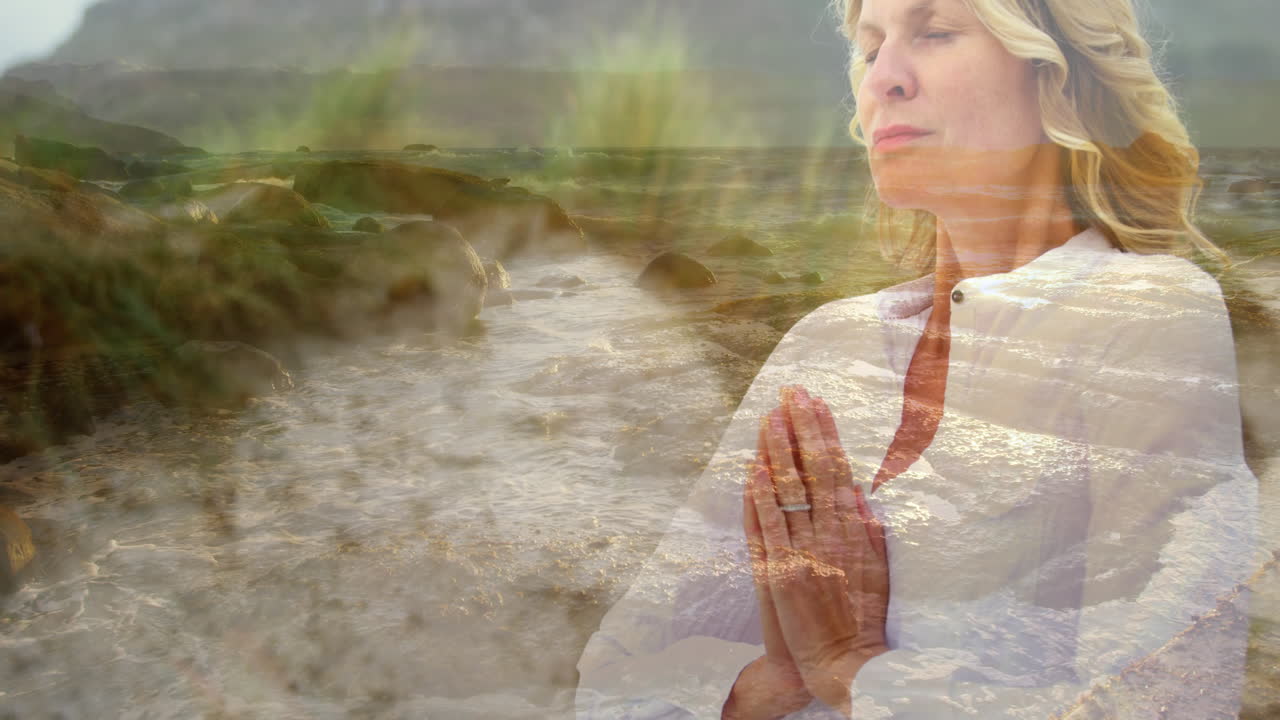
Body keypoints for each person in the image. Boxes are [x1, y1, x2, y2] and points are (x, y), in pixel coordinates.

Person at [575, 0, 1262, 717]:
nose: (883, 81)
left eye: (935, 33)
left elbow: (1168, 702)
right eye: (871, 50)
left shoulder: (1145, 312)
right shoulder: (824, 343)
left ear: (1056, 72)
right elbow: (612, 677)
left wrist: (851, 670)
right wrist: (762, 684)